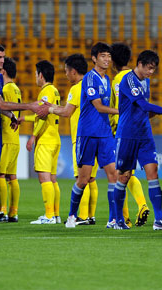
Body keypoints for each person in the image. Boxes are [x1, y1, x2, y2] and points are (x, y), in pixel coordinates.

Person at [114, 50, 162, 230]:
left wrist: (156, 113)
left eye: (153, 69)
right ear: (139, 64)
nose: (151, 72)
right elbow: (141, 104)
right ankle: (118, 220)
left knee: (153, 172)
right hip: (127, 134)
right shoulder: (128, 80)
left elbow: (144, 110)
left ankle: (159, 220)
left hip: (144, 133)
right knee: (124, 176)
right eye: (149, 68)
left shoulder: (146, 82)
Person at [0, 43, 48, 223]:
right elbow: (1, 104)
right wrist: (30, 106)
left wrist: (12, 116)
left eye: (3, 57)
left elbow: (1, 107)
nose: (2, 60)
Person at [61, 43, 120, 228]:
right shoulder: (89, 78)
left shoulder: (107, 79)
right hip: (87, 134)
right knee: (83, 179)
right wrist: (120, 111)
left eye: (109, 56)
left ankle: (113, 219)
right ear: (94, 58)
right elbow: (99, 106)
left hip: (104, 134)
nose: (107, 59)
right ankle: (72, 215)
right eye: (103, 56)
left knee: (114, 176)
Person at [47, 54, 96, 225]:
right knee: (91, 179)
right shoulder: (92, 84)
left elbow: (67, 112)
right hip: (96, 136)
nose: (66, 75)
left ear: (73, 71)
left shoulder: (76, 89)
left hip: (81, 138)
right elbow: (70, 108)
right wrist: (54, 107)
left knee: (81, 179)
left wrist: (50, 110)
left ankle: (81, 217)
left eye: (66, 71)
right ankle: (90, 215)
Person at [110, 42, 149, 227]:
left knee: (120, 174)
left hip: (123, 131)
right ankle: (141, 204)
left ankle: (123, 218)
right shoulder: (138, 77)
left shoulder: (118, 79)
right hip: (139, 129)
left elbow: (115, 107)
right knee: (128, 173)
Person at [26, 60, 62, 225]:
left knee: (44, 178)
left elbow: (42, 115)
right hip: (55, 138)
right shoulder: (54, 90)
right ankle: (55, 215)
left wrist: (33, 136)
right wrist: (24, 118)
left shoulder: (45, 91)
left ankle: (48, 216)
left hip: (45, 140)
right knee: (53, 179)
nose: (35, 77)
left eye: (35, 74)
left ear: (41, 75)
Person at [0, 57, 22, 222]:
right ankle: (13, 212)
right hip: (15, 138)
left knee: (0, 175)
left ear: (3, 71)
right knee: (12, 177)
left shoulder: (5, 89)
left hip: (5, 135)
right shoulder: (16, 88)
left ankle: (2, 211)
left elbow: (2, 108)